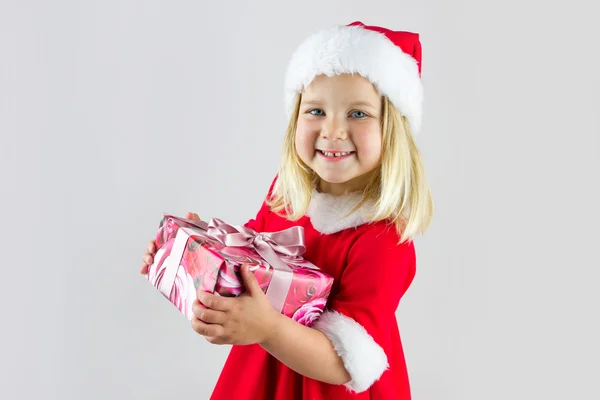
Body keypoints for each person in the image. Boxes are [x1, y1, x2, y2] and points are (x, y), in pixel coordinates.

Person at [140, 21, 433, 399]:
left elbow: (348, 363)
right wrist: (196, 250)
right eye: (316, 111)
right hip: (263, 371)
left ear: (391, 130)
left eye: (357, 114)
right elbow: (251, 256)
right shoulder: (287, 195)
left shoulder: (384, 239)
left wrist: (270, 330)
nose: (333, 131)